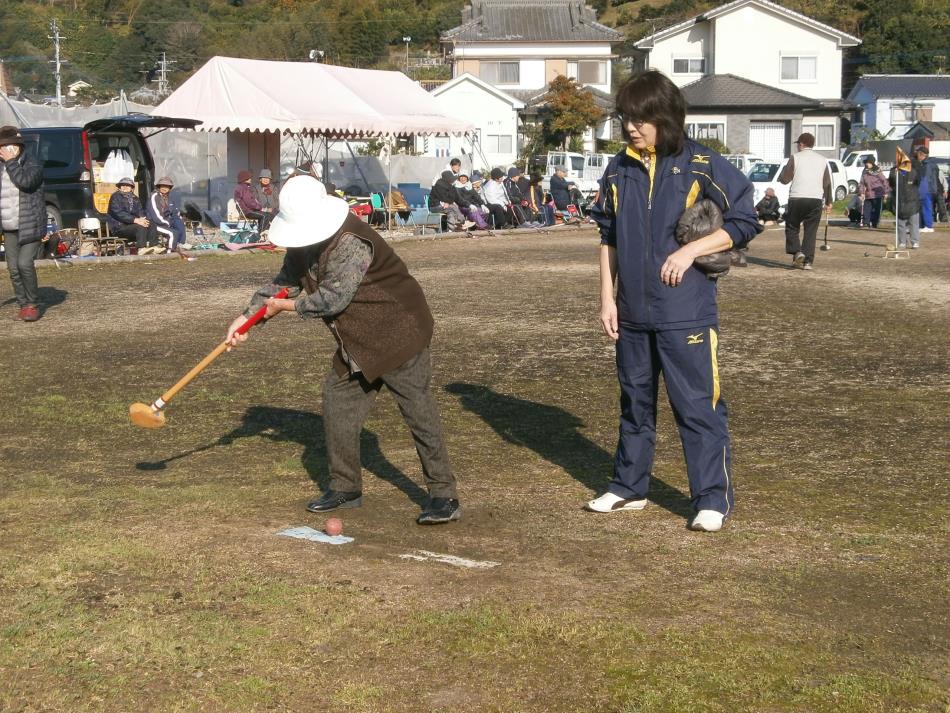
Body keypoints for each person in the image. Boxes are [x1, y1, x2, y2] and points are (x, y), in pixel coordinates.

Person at [225, 175, 461, 525]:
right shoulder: (303, 246)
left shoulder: (351, 241)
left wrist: (280, 309)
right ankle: (345, 486)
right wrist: (245, 319)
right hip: (357, 339)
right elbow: (283, 285)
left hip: (400, 331)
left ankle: (444, 495)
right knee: (337, 400)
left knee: (417, 410)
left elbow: (332, 299)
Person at [588, 70, 760, 532]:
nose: (631, 127)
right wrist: (607, 297)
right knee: (634, 402)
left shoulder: (703, 163)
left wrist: (689, 250)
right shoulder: (618, 168)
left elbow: (746, 219)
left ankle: (711, 499)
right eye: (626, 118)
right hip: (632, 312)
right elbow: (608, 235)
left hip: (686, 311)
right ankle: (629, 487)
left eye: (641, 118)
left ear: (666, 117)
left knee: (698, 405)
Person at [0, 125, 46, 322]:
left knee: (24, 264)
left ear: (18, 146)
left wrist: (11, 162)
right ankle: (23, 304)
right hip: (9, 226)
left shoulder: (33, 164)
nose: (6, 151)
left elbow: (25, 182)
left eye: (9, 146)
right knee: (13, 268)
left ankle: (32, 304)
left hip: (31, 224)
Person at [777, 132, 832, 270]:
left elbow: (784, 179)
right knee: (810, 231)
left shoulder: (795, 158)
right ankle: (808, 262)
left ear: (801, 144)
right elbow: (827, 183)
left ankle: (797, 252)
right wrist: (828, 202)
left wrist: (783, 172)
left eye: (798, 144)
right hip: (815, 199)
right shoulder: (822, 160)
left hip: (797, 197)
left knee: (792, 226)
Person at [107, 176, 158, 249]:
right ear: (119, 187)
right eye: (123, 185)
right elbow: (118, 213)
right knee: (140, 226)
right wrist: (136, 220)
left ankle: (153, 247)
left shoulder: (135, 198)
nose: (125, 187)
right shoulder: (115, 197)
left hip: (131, 225)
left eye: (128, 185)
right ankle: (141, 248)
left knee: (151, 223)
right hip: (119, 227)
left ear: (132, 188)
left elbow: (140, 212)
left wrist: (143, 219)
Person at [147, 176, 187, 253]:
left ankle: (180, 244)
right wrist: (167, 223)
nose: (164, 188)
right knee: (173, 233)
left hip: (165, 222)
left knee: (179, 223)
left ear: (170, 188)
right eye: (163, 186)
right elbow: (156, 216)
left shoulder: (169, 198)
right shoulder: (154, 196)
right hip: (154, 223)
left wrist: (179, 219)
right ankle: (170, 252)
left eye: (167, 186)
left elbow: (175, 212)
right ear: (159, 186)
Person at [889, 156, 921, 249]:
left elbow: (918, 181)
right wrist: (894, 174)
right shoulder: (894, 172)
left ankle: (915, 241)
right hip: (899, 202)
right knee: (900, 224)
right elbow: (890, 183)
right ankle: (902, 242)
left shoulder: (913, 172)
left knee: (913, 223)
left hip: (912, 202)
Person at [913, 145, 945, 232]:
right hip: (930, 189)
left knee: (926, 207)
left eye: (918, 154)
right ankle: (923, 225)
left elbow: (924, 179)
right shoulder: (931, 163)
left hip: (926, 190)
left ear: (921, 154)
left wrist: (919, 190)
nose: (916, 156)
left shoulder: (926, 165)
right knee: (925, 207)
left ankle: (928, 226)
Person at [857, 157, 889, 230]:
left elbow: (884, 181)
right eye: (866, 163)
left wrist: (886, 191)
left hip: (877, 194)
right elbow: (862, 183)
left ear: (871, 163)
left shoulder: (877, 171)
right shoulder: (864, 171)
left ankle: (874, 223)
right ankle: (867, 222)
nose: (866, 164)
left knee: (876, 210)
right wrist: (861, 192)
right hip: (868, 194)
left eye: (868, 163)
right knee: (866, 209)